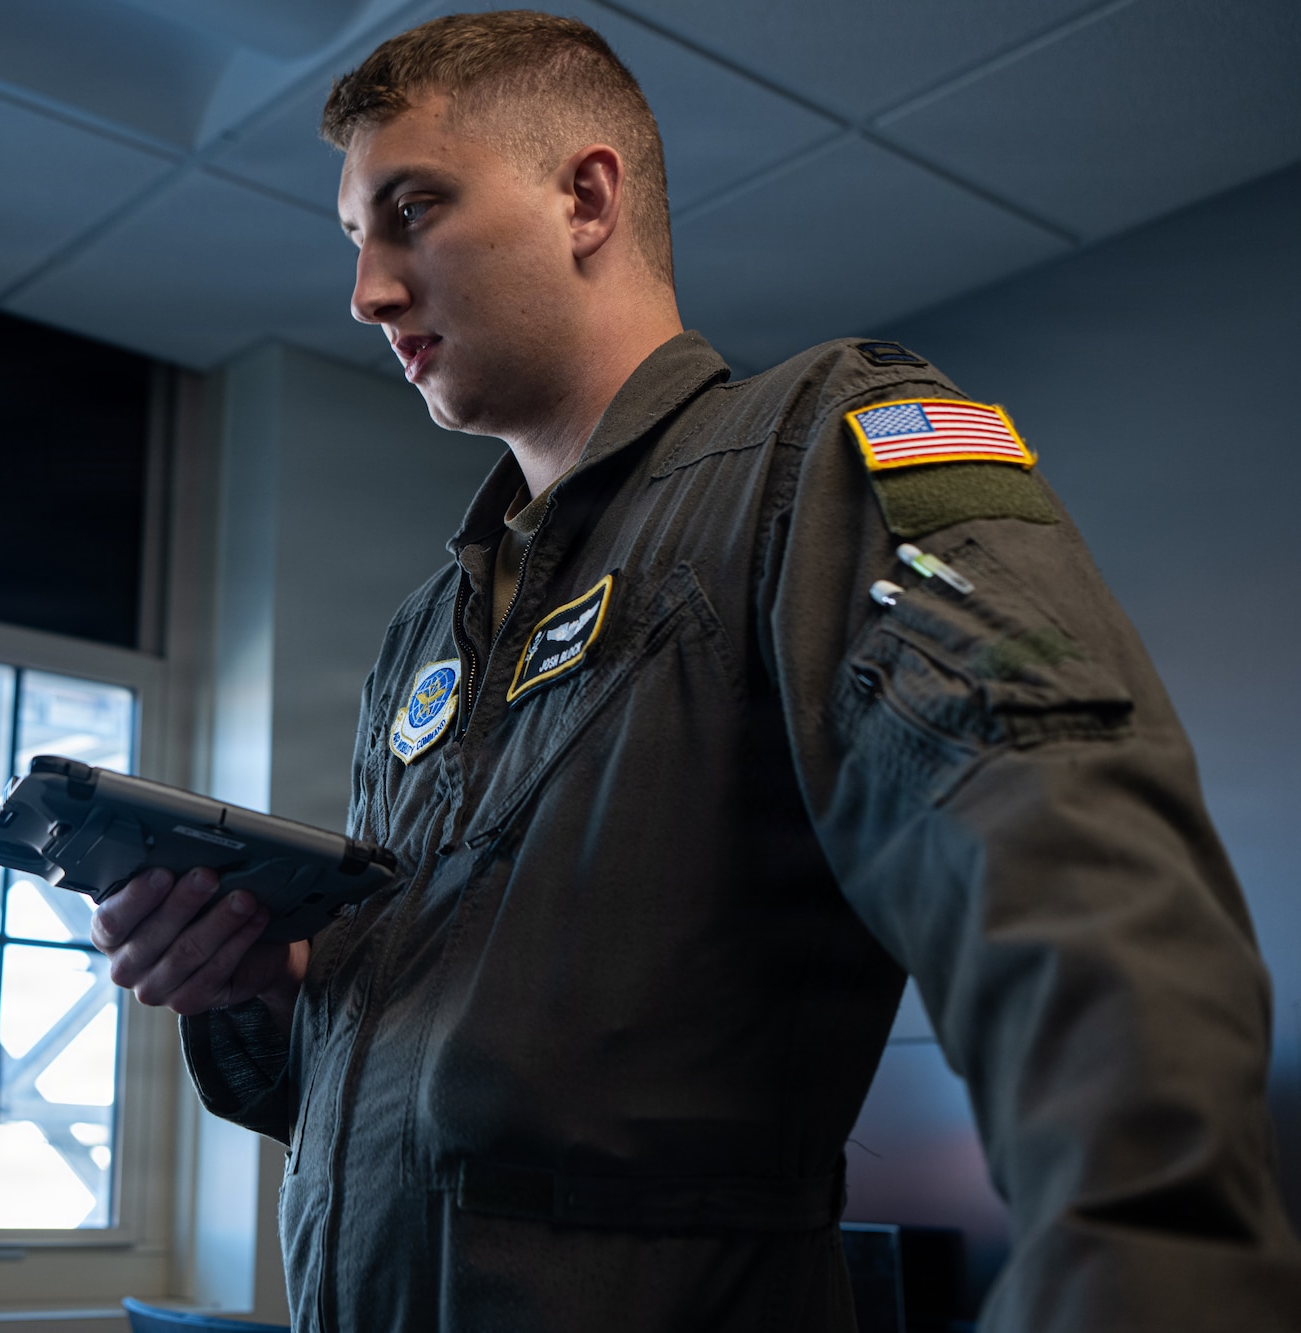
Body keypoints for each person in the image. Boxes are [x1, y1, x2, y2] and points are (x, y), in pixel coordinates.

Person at [90, 11, 1301, 1330]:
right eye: (354, 240)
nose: (367, 289)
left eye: (412, 211)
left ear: (586, 197)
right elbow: (425, 1090)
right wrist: (271, 990)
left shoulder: (817, 452)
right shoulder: (425, 633)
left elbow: (1079, 892)